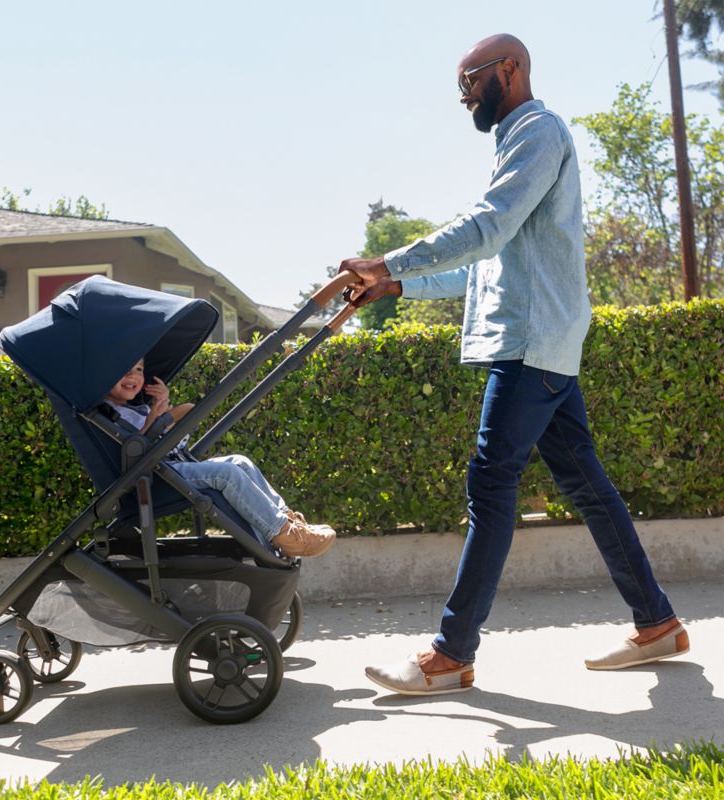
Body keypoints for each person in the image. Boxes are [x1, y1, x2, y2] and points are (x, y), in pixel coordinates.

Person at [339, 33, 688, 696]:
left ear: (512, 68)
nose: (466, 93)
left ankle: (451, 653)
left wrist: (389, 260)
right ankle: (659, 623)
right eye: (461, 84)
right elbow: (487, 269)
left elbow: (486, 229)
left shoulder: (538, 131)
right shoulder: (516, 147)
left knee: (490, 484)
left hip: (530, 349)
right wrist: (398, 287)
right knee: (586, 485)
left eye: (471, 78)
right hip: (542, 347)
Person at [105, 359, 336, 558]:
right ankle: (285, 536)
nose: (132, 376)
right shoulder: (108, 417)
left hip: (171, 466)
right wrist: (156, 419)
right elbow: (133, 450)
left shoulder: (140, 409)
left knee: (239, 461)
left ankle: (290, 524)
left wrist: (164, 411)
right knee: (227, 474)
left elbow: (169, 440)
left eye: (138, 369)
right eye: (124, 369)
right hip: (153, 479)